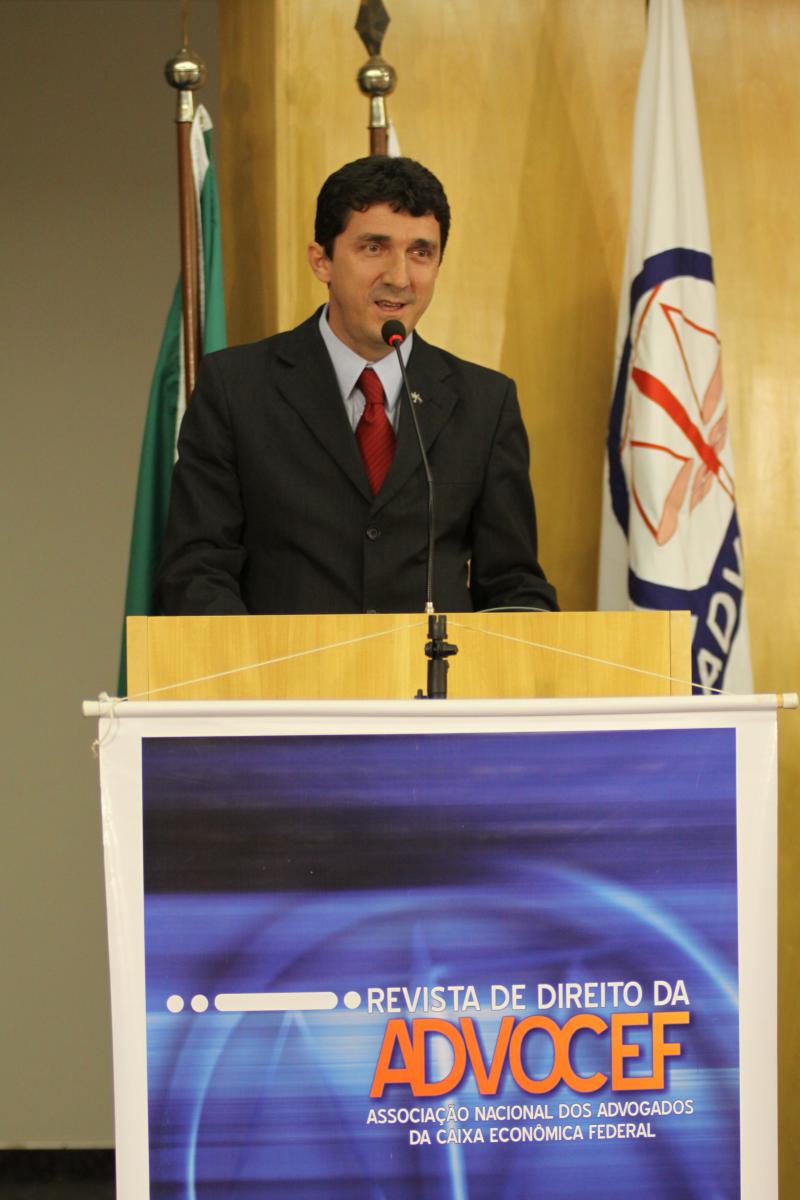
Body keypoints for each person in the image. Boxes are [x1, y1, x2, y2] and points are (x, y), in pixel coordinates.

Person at [156, 156, 558, 615]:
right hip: (284, 663)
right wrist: (257, 661)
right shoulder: (236, 388)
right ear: (321, 261)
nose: (400, 277)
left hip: (434, 665)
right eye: (374, 247)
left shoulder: (486, 403)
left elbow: (513, 584)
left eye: (421, 252)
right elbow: (196, 570)